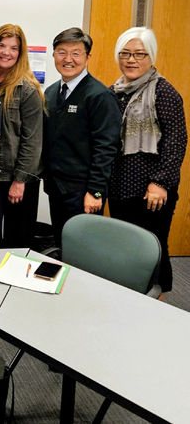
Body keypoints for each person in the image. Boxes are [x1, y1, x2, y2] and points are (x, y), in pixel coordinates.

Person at [107, 27, 187, 299]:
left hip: (152, 190)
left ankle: (158, 301)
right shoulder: (114, 91)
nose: (131, 60)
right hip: (119, 185)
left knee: (153, 246)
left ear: (151, 57)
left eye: (140, 54)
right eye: (125, 53)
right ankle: (131, 299)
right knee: (126, 247)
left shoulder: (163, 92)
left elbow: (176, 141)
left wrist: (161, 183)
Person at [43, 27, 121, 246]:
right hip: (57, 188)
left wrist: (95, 192)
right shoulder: (50, 93)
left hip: (83, 191)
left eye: (76, 53)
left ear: (87, 57)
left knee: (84, 249)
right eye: (61, 52)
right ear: (54, 55)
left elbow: (106, 148)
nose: (68, 59)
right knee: (61, 242)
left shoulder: (99, 96)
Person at [0, 24, 45, 248]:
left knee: (17, 240)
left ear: (20, 53)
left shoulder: (27, 89)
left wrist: (20, 180)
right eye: (2, 45)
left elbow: (33, 141)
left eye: (14, 48)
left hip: (18, 178)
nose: (7, 52)